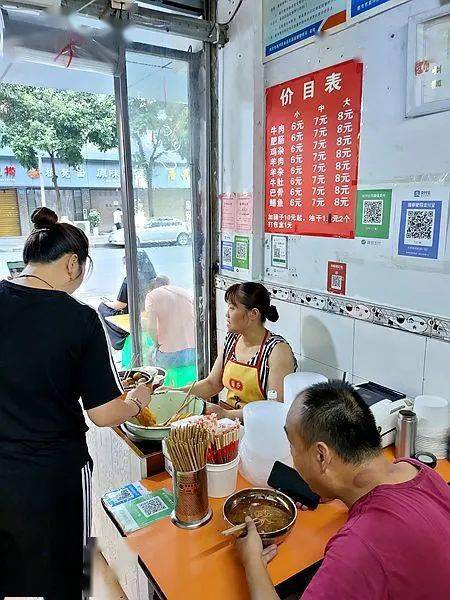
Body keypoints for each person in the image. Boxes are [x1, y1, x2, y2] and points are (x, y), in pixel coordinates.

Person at [0, 207, 154, 599]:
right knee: (67, 566)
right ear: (72, 264)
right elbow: (103, 413)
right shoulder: (78, 319)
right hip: (56, 472)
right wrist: (136, 401)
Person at [236, 381, 450, 600]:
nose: (291, 455)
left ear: (321, 456)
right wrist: (333, 489)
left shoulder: (359, 547)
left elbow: (370, 545)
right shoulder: (415, 468)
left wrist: (252, 561)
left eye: (292, 444)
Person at [184, 282, 296, 422]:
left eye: (232, 308)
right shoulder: (232, 339)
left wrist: (226, 415)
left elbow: (273, 408)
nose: (227, 314)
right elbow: (212, 384)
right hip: (228, 423)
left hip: (259, 426)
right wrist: (175, 393)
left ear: (253, 313)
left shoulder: (277, 350)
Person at [98, 250, 157, 350]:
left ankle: (118, 341)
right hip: (149, 312)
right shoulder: (153, 277)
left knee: (102, 308)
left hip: (134, 316)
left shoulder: (130, 279)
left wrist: (106, 303)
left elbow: (120, 305)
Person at [143, 276, 196, 369]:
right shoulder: (184, 292)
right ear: (168, 283)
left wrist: (156, 344)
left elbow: (151, 328)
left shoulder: (151, 295)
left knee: (148, 357)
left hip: (169, 354)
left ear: (151, 288)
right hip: (193, 350)